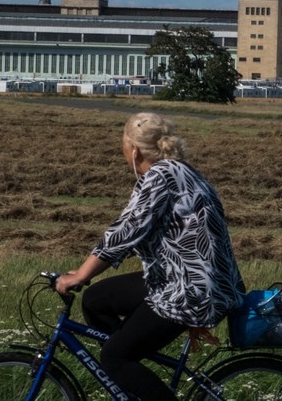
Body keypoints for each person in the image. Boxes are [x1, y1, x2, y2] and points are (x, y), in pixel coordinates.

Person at [56, 112, 244, 401]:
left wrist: (81, 274)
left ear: (133, 150)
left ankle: (132, 370)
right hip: (190, 280)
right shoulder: (183, 170)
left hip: (189, 289)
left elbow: (127, 230)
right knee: (96, 300)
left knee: (114, 358)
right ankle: (136, 379)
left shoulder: (159, 176)